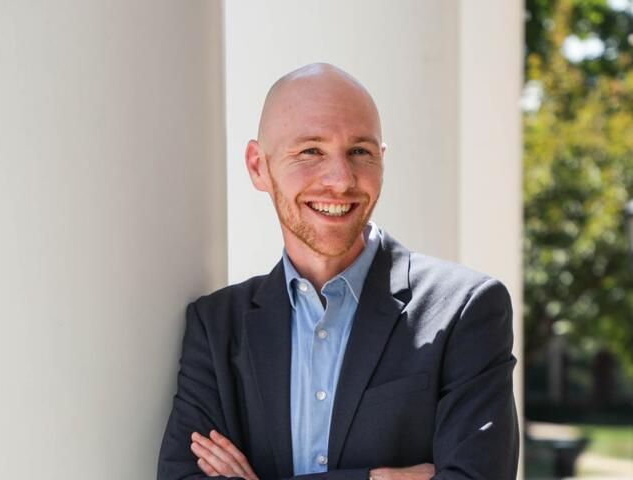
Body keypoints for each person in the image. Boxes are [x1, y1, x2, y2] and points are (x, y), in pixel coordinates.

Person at [158, 63, 519, 480]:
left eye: (360, 152)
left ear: (381, 160)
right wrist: (374, 478)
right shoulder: (216, 325)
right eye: (311, 151)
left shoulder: (465, 310)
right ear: (258, 166)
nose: (341, 180)